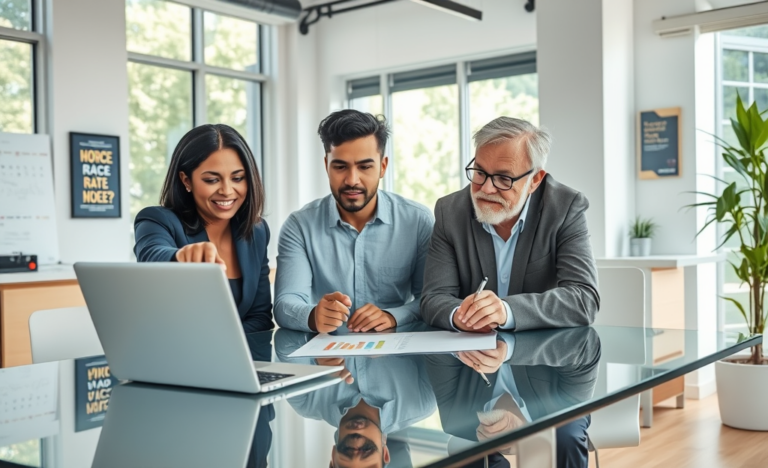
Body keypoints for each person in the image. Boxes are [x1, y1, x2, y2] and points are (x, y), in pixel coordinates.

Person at [420, 117, 599, 332]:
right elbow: (433, 298)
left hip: (541, 357)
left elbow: (583, 299)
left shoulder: (565, 208)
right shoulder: (449, 211)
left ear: (535, 180)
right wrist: (460, 316)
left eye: (504, 179)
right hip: (472, 358)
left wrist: (506, 311)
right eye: (479, 172)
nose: (486, 189)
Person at [274, 110, 433, 333]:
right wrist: (313, 316)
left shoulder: (418, 221)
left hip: (394, 360)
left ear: (383, 167)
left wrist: (392, 316)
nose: (352, 180)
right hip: (328, 360)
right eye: (340, 167)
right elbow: (285, 303)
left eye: (365, 167)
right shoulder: (299, 226)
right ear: (326, 165)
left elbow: (430, 299)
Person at [134, 124, 273, 333]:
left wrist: (226, 350)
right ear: (186, 180)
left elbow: (260, 318)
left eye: (237, 178)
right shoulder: (157, 220)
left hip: (238, 361)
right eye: (211, 180)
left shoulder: (257, 231)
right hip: (173, 357)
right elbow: (151, 254)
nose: (227, 191)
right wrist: (181, 256)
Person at [426, 327, 601, 468]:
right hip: (479, 414)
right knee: (470, 454)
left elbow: (585, 344)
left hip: (559, 408)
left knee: (565, 435)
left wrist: (531, 431)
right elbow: (451, 420)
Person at [274, 325, 437, 468]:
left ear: (332, 458)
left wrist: (315, 350)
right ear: (385, 454)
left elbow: (283, 341)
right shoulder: (421, 401)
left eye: (347, 450)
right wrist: (394, 320)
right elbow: (432, 330)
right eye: (367, 450)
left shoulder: (306, 402)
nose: (357, 441)